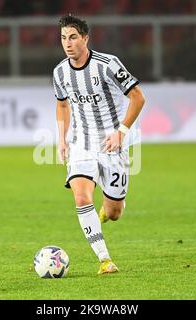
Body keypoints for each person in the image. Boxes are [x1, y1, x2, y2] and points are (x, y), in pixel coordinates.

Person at [53, 14, 145, 275]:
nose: (67, 43)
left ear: (85, 38)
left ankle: (106, 211)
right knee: (81, 196)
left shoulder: (108, 65)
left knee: (115, 212)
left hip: (111, 143)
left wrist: (121, 131)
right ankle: (105, 260)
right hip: (81, 143)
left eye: (72, 37)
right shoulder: (60, 72)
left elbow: (138, 97)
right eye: (63, 38)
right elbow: (62, 105)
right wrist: (61, 138)